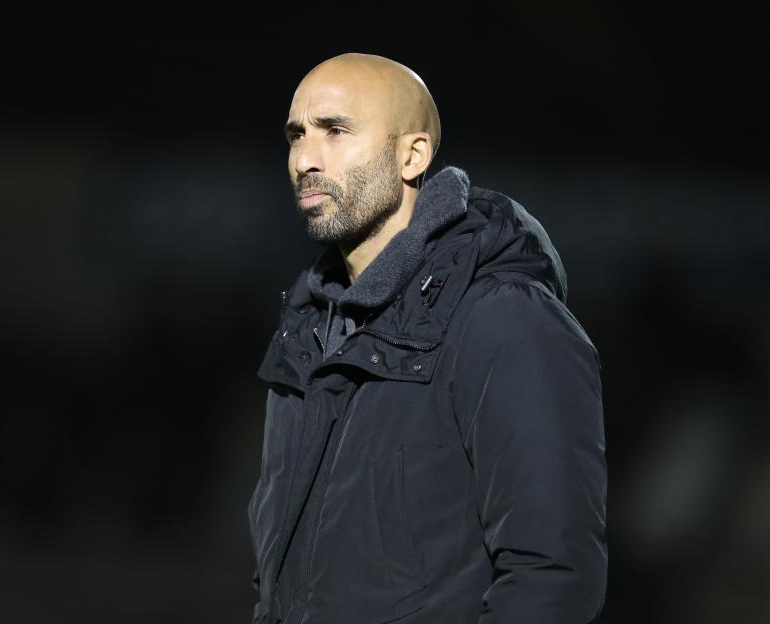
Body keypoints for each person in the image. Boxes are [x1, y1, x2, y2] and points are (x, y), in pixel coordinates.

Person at [247, 52, 607, 624]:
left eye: (335, 131)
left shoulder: (503, 319)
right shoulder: (309, 332)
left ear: (412, 155)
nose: (305, 159)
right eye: (297, 135)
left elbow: (552, 577)